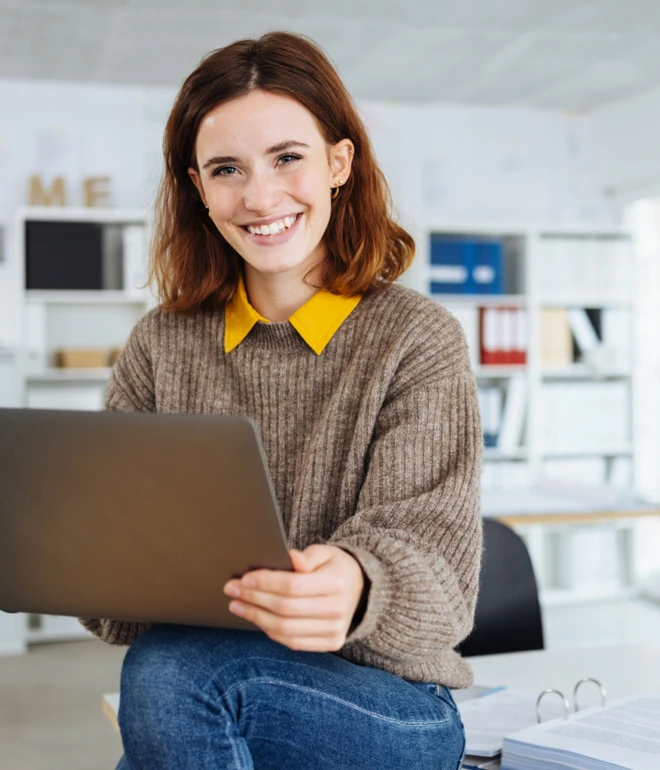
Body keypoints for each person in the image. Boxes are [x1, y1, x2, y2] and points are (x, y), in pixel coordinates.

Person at [80, 31, 483, 770]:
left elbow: (443, 578)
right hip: (203, 680)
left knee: (169, 675)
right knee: (172, 684)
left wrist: (358, 584)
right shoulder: (160, 343)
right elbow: (117, 612)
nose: (260, 198)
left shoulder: (416, 338)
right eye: (226, 169)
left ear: (339, 163)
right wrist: (80, 556)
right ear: (198, 188)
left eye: (287, 157)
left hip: (388, 704)